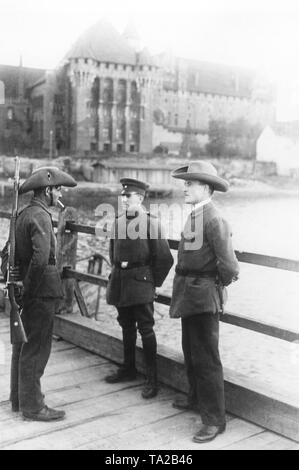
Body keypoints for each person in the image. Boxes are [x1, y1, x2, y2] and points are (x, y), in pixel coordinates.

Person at [170, 160, 240, 443]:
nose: (184, 188)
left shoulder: (214, 218)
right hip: (190, 293)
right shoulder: (196, 214)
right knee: (190, 349)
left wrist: (213, 285)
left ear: (206, 187)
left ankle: (214, 420)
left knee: (207, 358)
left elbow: (230, 267)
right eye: (185, 183)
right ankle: (195, 398)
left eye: (190, 184)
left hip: (203, 295)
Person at [10, 166, 77, 421]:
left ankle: (19, 399)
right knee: (37, 348)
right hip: (40, 290)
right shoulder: (40, 215)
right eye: (57, 189)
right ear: (47, 190)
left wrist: (23, 286)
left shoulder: (23, 213)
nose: (59, 193)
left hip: (29, 289)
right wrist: (29, 287)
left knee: (23, 344)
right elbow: (40, 258)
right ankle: (34, 406)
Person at [105, 178, 173, 399]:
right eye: (122, 195)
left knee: (146, 328)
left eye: (128, 196)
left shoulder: (151, 222)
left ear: (140, 198)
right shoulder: (117, 221)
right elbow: (112, 252)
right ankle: (128, 368)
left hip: (141, 282)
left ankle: (152, 380)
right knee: (125, 324)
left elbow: (164, 258)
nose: (123, 199)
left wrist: (152, 283)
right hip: (121, 281)